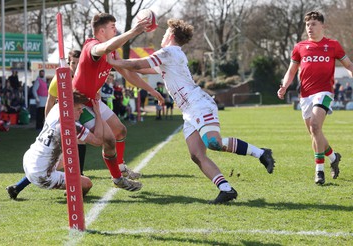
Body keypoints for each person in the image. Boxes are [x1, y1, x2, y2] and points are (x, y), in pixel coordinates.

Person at [107, 18, 275, 204]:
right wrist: (116, 64)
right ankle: (226, 189)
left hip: (198, 103)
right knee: (196, 154)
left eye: (164, 34)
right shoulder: (169, 55)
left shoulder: (169, 52)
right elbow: (143, 70)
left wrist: (117, 61)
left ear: (170, 35)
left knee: (213, 142)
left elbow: (138, 65)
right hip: (189, 110)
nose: (162, 36)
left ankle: (261, 153)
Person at [71, 13, 164, 189]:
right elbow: (104, 48)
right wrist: (134, 31)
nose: (116, 29)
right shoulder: (92, 46)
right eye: (113, 26)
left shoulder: (111, 52)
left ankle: (120, 168)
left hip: (93, 100)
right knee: (108, 140)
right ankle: (118, 179)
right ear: (101, 30)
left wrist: (151, 90)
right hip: (79, 105)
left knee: (120, 131)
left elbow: (128, 73)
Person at [277, 11, 352, 185]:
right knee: (314, 132)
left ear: (322, 26)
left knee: (316, 126)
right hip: (305, 96)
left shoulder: (333, 45)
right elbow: (291, 71)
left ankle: (319, 171)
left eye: (314, 24)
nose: (310, 28)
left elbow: (348, 65)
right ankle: (333, 157)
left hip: (324, 92)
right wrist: (284, 86)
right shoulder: (300, 47)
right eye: (308, 25)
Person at [6, 91, 105, 199]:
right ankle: (72, 193)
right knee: (87, 184)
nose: (81, 112)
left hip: (29, 158)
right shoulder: (71, 125)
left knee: (65, 159)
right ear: (69, 108)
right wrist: (97, 113)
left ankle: (17, 188)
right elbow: (98, 141)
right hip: (42, 176)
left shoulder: (56, 109)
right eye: (78, 109)